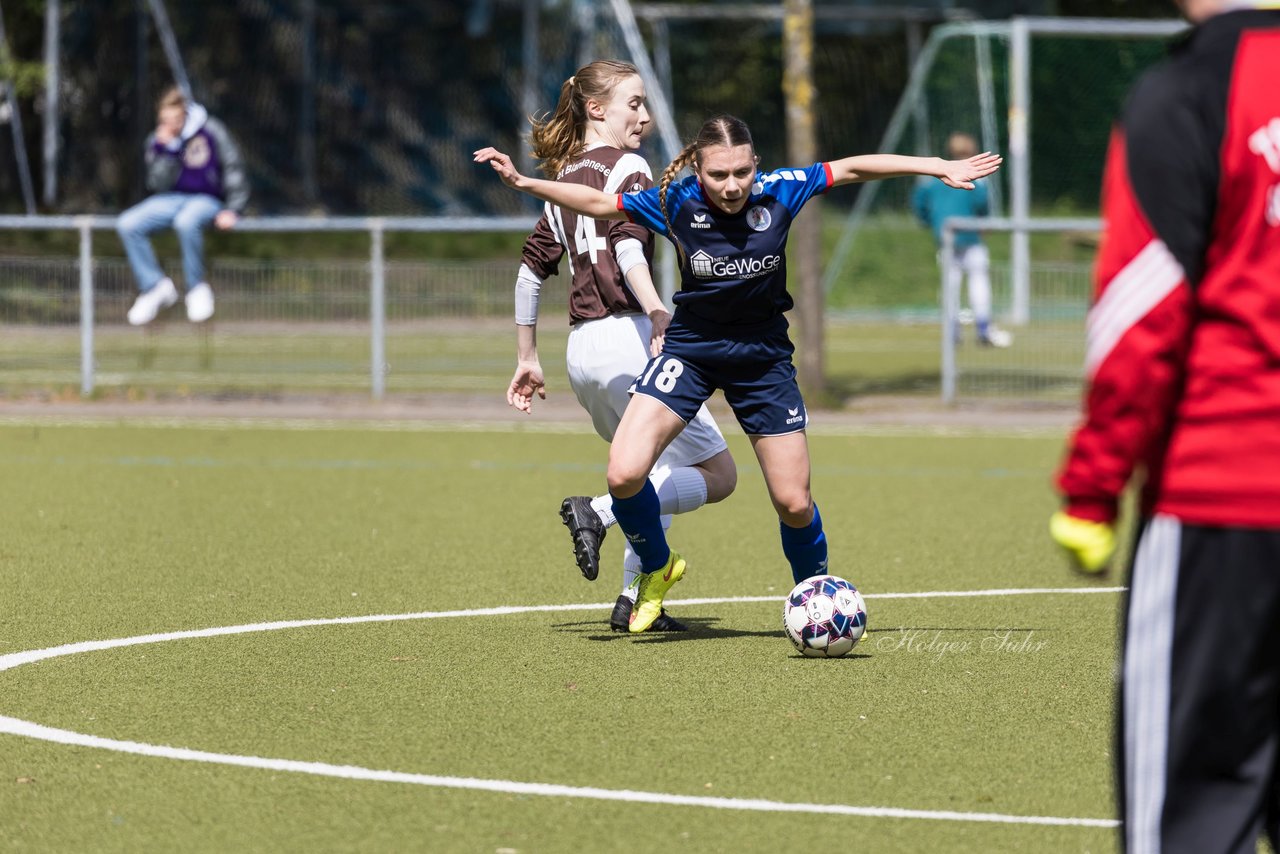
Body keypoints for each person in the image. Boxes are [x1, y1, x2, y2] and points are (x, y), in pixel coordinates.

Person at [478, 115, 1001, 632]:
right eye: (719, 175)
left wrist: (934, 166)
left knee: (794, 503)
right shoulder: (674, 199)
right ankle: (656, 569)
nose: (732, 186)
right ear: (697, 170)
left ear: (757, 166)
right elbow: (597, 202)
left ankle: (815, 597)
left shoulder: (779, 192)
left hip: (762, 358)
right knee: (623, 472)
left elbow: (850, 169)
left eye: (742, 173)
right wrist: (524, 184)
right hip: (692, 349)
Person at [1048, 1, 1280, 849]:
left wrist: (1092, 488)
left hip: (1228, 503)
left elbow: (1143, 312)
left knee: (1186, 829)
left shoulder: (1191, 86)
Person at [507, 60, 737, 632]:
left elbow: (529, 274)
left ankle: (634, 600)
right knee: (719, 474)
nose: (645, 116)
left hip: (581, 351)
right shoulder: (629, 166)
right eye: (633, 103)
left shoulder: (561, 181)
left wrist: (526, 357)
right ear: (596, 109)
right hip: (629, 336)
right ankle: (600, 511)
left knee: (647, 469)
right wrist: (659, 308)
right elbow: (630, 251)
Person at [117, 86, 249, 326]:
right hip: (171, 199)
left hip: (206, 199)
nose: (172, 125)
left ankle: (196, 288)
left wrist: (234, 208)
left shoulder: (211, 130)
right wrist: (168, 150)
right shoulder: (159, 141)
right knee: (127, 223)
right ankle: (155, 287)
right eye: (166, 120)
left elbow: (233, 167)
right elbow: (156, 183)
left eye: (176, 119)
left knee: (186, 222)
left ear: (186, 114)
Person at [912, 131, 1011, 348]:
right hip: (970, 235)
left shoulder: (933, 177)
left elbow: (919, 202)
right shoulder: (972, 175)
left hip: (945, 236)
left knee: (951, 285)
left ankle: (953, 332)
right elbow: (982, 202)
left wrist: (929, 221)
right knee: (979, 281)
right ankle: (983, 328)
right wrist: (983, 222)